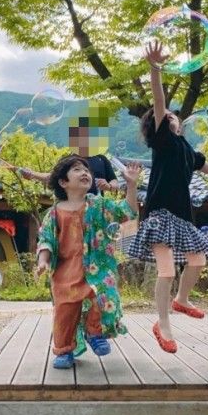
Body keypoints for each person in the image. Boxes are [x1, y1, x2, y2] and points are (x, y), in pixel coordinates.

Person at [128, 42, 208, 353]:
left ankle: (181, 300)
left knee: (198, 260)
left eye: (172, 115)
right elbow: (157, 99)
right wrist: (155, 69)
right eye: (166, 115)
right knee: (166, 270)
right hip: (159, 215)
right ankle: (162, 323)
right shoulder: (164, 140)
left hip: (182, 218)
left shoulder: (188, 151)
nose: (171, 115)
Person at [34, 154, 142, 369]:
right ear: (63, 182)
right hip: (65, 273)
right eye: (76, 169)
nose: (85, 172)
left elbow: (127, 212)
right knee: (65, 314)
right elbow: (45, 239)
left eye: (87, 170)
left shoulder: (99, 204)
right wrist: (43, 261)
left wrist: (131, 185)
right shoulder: (54, 213)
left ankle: (95, 332)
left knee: (103, 295)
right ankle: (64, 350)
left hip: (97, 269)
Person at [21, 120, 121, 195]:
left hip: (96, 211)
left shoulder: (101, 159)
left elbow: (115, 182)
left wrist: (109, 186)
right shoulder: (66, 160)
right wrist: (32, 174)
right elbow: (52, 177)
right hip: (70, 207)